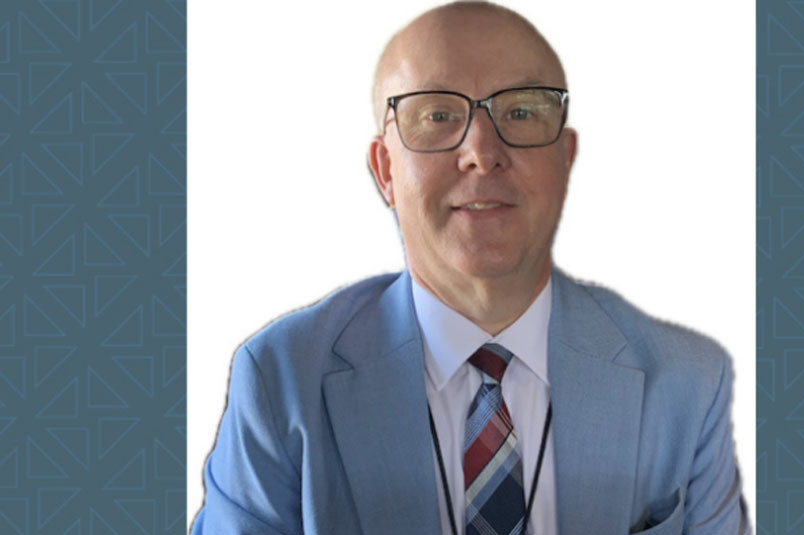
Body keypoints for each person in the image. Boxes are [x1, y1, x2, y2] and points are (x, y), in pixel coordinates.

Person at [193, 2, 750, 534]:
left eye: (520, 112)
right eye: (437, 115)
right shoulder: (281, 380)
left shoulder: (688, 384)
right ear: (385, 171)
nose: (482, 151)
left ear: (565, 158)